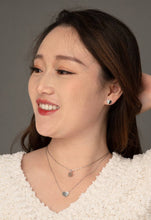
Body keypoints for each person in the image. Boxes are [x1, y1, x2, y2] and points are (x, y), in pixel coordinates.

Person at [0, 9, 151, 219]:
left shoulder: (143, 182)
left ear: (112, 89)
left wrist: (133, 96)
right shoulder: (3, 179)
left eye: (63, 71)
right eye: (37, 69)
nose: (41, 86)